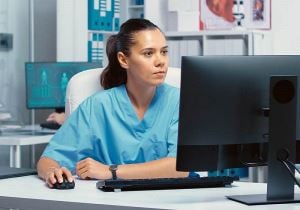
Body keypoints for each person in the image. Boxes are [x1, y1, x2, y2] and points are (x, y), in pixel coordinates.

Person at [37, 18, 189, 188]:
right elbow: (48, 159)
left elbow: (180, 167)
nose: (161, 61)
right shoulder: (96, 107)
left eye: (164, 52)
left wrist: (111, 171)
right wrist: (52, 171)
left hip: (168, 199)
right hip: (110, 201)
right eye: (148, 53)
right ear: (124, 60)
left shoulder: (179, 101)